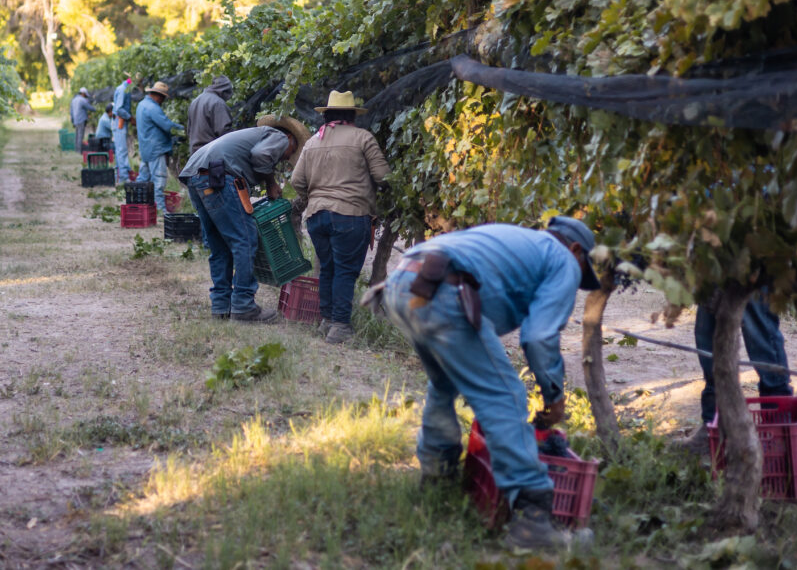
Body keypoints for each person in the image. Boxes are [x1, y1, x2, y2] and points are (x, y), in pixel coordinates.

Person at [375, 216, 601, 551]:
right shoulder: (564, 259)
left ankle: (437, 479)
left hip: (401, 283)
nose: (576, 279)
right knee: (506, 395)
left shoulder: (520, 240)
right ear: (576, 249)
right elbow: (539, 336)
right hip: (443, 291)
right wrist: (553, 395)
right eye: (582, 271)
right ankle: (533, 519)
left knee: (444, 384)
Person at [178, 116, 310, 322]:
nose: (286, 157)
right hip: (219, 176)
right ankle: (243, 305)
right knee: (245, 239)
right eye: (290, 154)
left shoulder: (255, 135)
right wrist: (270, 182)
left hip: (197, 175)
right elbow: (260, 157)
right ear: (291, 139)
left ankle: (221, 306)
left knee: (220, 244)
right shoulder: (280, 137)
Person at [290, 90, 389, 344]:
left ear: (328, 115)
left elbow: (296, 181)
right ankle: (340, 326)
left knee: (328, 269)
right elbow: (383, 177)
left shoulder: (313, 141)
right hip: (350, 214)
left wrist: (315, 197)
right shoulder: (363, 138)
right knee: (345, 271)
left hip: (316, 217)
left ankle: (327, 320)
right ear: (352, 115)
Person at [681, 294, 794, 455]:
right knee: (707, 329)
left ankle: (778, 433)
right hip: (715, 273)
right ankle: (713, 428)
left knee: (759, 328)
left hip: (750, 272)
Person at [135, 81, 185, 213]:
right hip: (156, 149)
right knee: (159, 181)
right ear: (157, 95)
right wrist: (184, 129)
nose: (163, 100)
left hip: (145, 149)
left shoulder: (141, 105)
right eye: (162, 97)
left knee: (143, 180)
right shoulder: (153, 108)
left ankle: (138, 205)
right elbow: (167, 125)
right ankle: (161, 210)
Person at [187, 75, 234, 152]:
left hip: (195, 153)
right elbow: (225, 132)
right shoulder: (218, 103)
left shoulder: (195, 101)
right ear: (224, 89)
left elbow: (189, 130)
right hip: (211, 152)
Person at [113, 78, 134, 181]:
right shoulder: (123, 90)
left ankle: (119, 175)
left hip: (119, 122)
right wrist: (130, 118)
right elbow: (119, 109)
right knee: (122, 150)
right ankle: (124, 178)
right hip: (119, 122)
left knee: (119, 150)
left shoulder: (124, 88)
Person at [69, 87, 94, 152]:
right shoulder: (82, 100)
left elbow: (71, 111)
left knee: (77, 136)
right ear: (83, 93)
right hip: (81, 120)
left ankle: (76, 149)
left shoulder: (74, 100)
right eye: (85, 94)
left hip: (76, 120)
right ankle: (79, 151)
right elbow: (89, 107)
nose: (86, 96)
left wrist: (72, 120)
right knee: (80, 136)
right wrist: (95, 109)